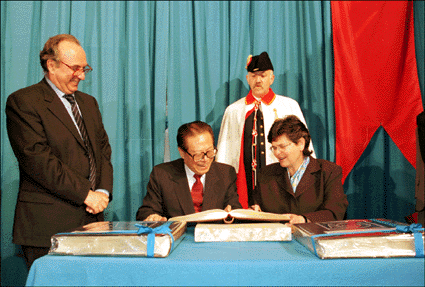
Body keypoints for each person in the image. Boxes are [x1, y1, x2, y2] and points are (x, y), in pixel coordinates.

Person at [6, 34, 113, 269]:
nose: (82, 75)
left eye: (85, 68)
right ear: (51, 65)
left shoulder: (89, 103)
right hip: (47, 226)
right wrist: (87, 194)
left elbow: (103, 151)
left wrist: (102, 191)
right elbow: (38, 161)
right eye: (75, 68)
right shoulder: (23, 102)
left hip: (92, 220)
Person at [216, 51, 314, 208]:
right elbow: (224, 152)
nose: (258, 80)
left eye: (263, 75)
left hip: (280, 179)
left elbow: (305, 148)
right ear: (247, 78)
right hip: (244, 181)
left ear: (272, 78)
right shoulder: (233, 110)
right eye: (253, 76)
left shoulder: (288, 106)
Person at [251, 115, 348, 227]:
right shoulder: (266, 174)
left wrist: (304, 219)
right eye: (274, 147)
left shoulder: (328, 171)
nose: (277, 152)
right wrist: (254, 211)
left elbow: (335, 212)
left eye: (282, 146)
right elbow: (257, 209)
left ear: (301, 144)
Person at [136, 121, 241, 221]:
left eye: (209, 152)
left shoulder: (226, 173)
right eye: (198, 155)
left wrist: (233, 215)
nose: (205, 159)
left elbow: (234, 209)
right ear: (182, 153)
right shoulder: (162, 174)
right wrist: (152, 217)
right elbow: (146, 211)